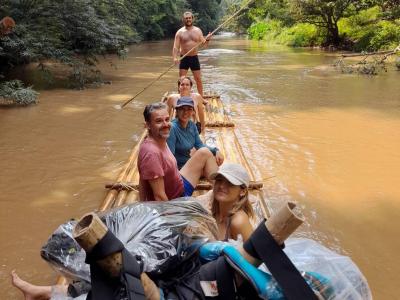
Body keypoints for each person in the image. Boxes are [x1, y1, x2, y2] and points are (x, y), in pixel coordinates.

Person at [138, 102, 219, 201]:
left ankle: (219, 188)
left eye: (167, 119)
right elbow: (159, 197)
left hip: (179, 182)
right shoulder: (151, 153)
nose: (165, 124)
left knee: (204, 152)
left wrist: (141, 201)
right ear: (148, 125)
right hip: (177, 198)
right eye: (159, 121)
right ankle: (220, 194)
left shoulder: (159, 139)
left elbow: (142, 178)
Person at [167, 96, 223, 170]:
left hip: (188, 162)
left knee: (213, 158)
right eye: (182, 109)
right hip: (179, 168)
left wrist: (216, 151)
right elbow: (170, 157)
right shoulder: (172, 128)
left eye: (189, 109)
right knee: (207, 156)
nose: (185, 112)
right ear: (177, 111)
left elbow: (199, 145)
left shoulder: (192, 125)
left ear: (193, 111)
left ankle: (216, 179)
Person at [207, 163, 255, 242]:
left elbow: (250, 254)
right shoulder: (214, 212)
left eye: (230, 183)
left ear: (242, 191)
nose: (222, 186)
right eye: (219, 180)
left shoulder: (238, 222)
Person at [172, 11, 212, 97]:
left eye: (189, 18)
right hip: (184, 58)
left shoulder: (198, 31)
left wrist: (208, 39)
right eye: (186, 18)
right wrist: (175, 58)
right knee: (181, 80)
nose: (188, 20)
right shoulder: (180, 32)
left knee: (198, 79)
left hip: (194, 58)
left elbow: (205, 45)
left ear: (192, 19)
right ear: (183, 20)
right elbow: (175, 47)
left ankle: (201, 98)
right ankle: (181, 98)